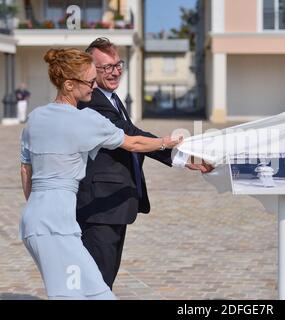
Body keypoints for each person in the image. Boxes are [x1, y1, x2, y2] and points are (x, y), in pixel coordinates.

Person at [19, 48, 181, 299]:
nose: (95, 87)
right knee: (77, 294)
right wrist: (167, 143)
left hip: (35, 221)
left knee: (91, 292)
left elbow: (25, 169)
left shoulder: (35, 118)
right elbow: (133, 143)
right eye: (90, 82)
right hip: (56, 224)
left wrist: (40, 207)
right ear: (70, 84)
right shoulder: (86, 120)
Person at [76, 37, 211, 290]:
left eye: (118, 64)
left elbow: (133, 130)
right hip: (99, 208)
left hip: (113, 204)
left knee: (104, 279)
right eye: (106, 67)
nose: (115, 71)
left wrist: (183, 158)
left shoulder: (112, 99)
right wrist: (173, 147)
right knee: (96, 282)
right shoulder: (92, 102)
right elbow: (131, 137)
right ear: (90, 70)